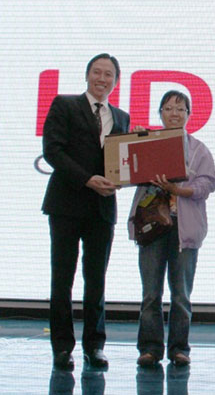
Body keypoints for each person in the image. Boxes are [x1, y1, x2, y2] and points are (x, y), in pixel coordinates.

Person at [42, 53, 130, 370]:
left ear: (115, 81)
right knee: (62, 279)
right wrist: (87, 179)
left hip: (102, 209)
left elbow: (122, 163)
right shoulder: (64, 105)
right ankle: (62, 348)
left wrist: (122, 179)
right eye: (97, 72)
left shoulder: (121, 117)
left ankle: (95, 346)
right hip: (66, 205)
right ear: (87, 75)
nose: (101, 79)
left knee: (96, 281)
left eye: (108, 74)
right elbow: (52, 151)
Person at [128, 90, 215, 367]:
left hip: (184, 227)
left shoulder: (199, 149)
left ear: (189, 115)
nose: (174, 114)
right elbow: (128, 170)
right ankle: (150, 348)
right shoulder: (147, 142)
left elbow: (208, 184)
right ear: (160, 114)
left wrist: (180, 189)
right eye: (168, 108)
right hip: (151, 225)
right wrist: (135, 143)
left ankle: (180, 348)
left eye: (180, 109)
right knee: (150, 293)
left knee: (181, 295)